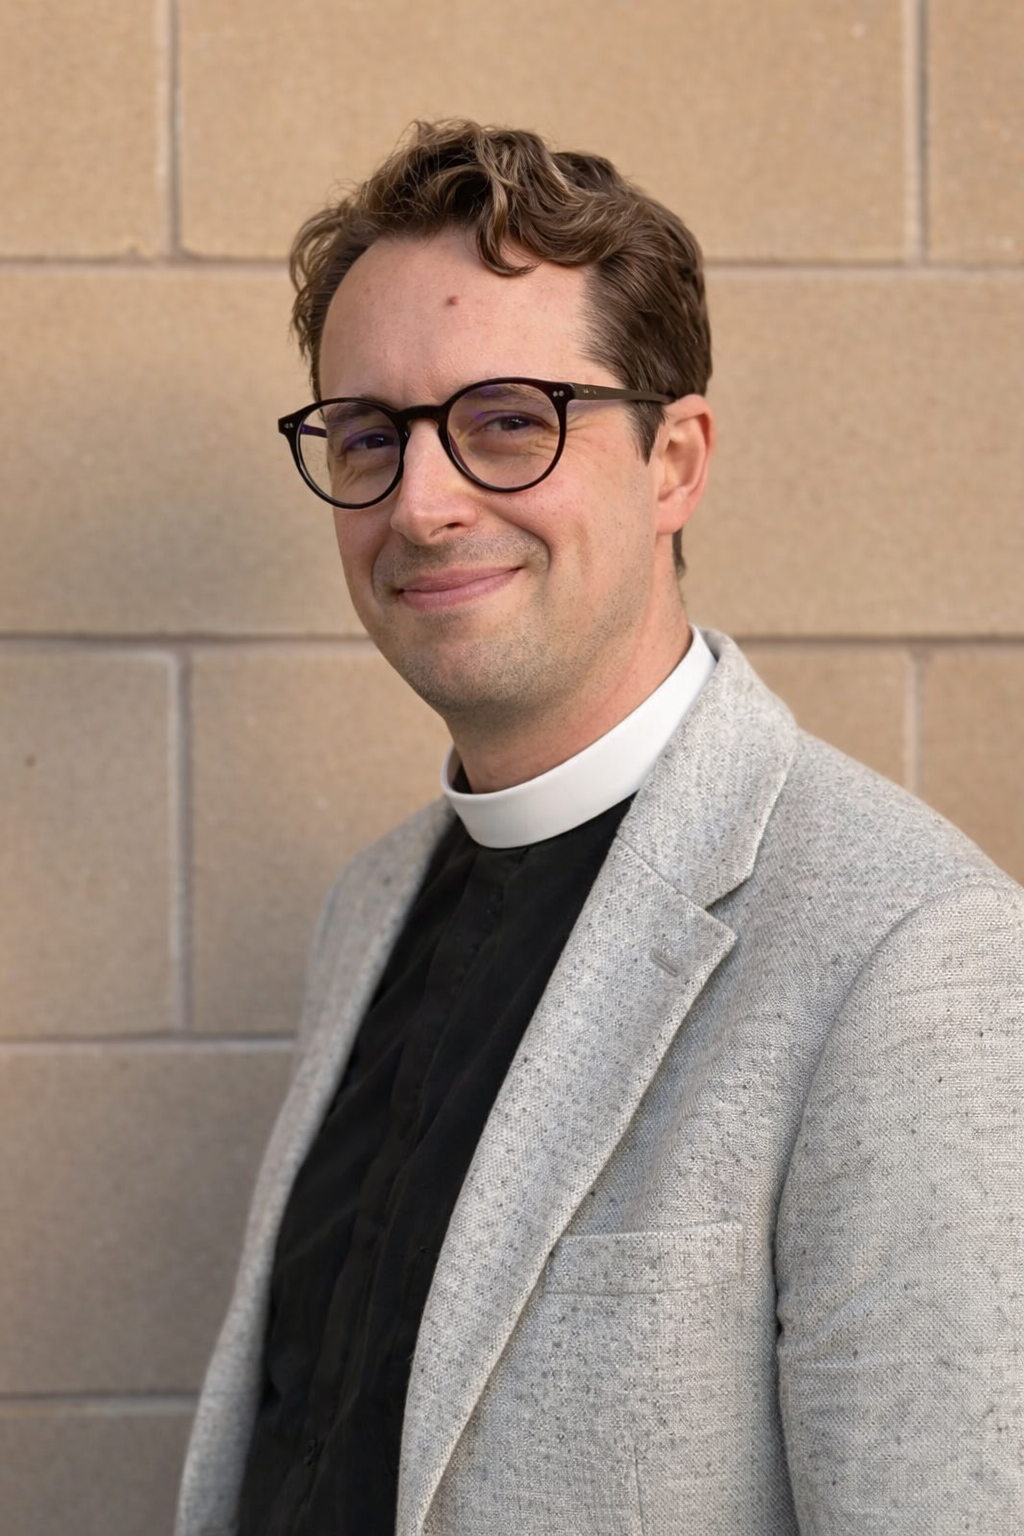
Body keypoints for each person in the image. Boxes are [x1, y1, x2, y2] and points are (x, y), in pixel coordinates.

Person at [175, 120, 1024, 1536]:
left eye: (509, 419)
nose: (422, 502)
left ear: (675, 460)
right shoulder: (368, 908)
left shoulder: (910, 952)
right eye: (370, 434)